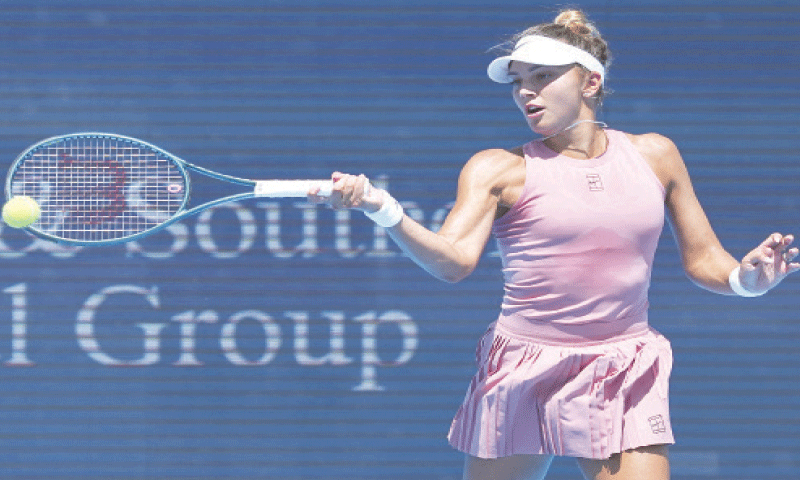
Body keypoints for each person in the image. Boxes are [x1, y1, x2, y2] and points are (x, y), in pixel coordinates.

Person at [309, 9, 800, 480]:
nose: (526, 91)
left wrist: (747, 280)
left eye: (542, 77)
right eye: (518, 81)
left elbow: (704, 259)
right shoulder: (496, 169)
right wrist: (381, 206)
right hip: (524, 365)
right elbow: (453, 262)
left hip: (622, 367)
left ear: (591, 82)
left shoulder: (657, 155)